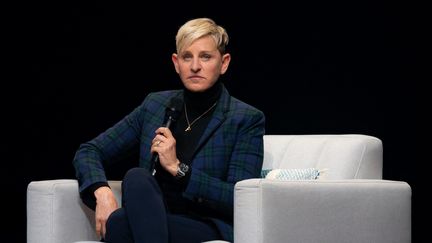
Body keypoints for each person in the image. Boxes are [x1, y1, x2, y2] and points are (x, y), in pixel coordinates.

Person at [73, 17, 265, 243]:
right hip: (153, 214)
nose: (195, 66)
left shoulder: (245, 118)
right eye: (187, 57)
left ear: (224, 63)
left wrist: (178, 168)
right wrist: (102, 193)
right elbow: (89, 151)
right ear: (176, 62)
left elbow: (240, 199)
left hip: (204, 223)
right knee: (136, 177)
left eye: (205, 56)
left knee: (119, 224)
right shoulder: (155, 106)